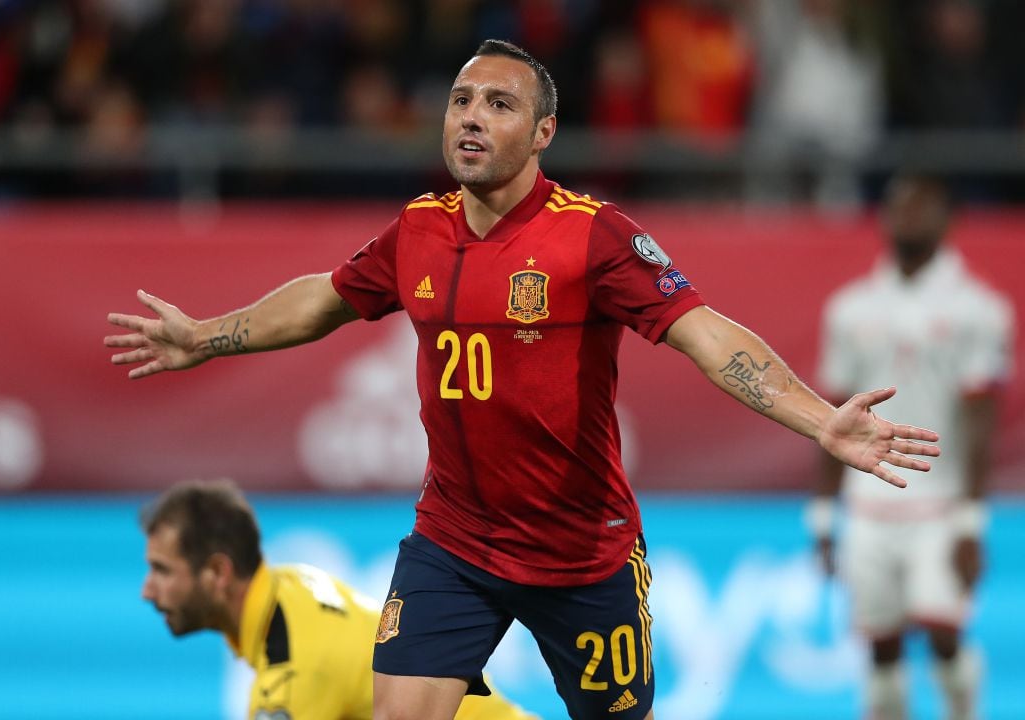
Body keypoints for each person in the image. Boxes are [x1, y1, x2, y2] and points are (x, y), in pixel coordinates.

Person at [107, 40, 940, 720]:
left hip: (582, 554)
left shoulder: (595, 238)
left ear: (543, 132)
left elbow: (709, 338)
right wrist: (206, 338)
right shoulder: (419, 230)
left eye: (499, 105)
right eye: (462, 101)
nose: (472, 118)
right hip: (454, 541)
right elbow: (322, 301)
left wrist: (819, 420)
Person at [810, 174, 1014, 720]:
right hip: (869, 505)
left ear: (947, 220)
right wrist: (823, 517)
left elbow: (980, 422)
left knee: (943, 633)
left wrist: (971, 524)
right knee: (880, 648)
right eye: (898, 208)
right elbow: (831, 419)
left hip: (939, 506)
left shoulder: (979, 309)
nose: (907, 218)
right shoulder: (849, 309)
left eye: (921, 208)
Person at [140, 477, 538, 720]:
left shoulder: (291, 673)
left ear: (218, 573)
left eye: (162, 570)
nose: (147, 590)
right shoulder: (291, 589)